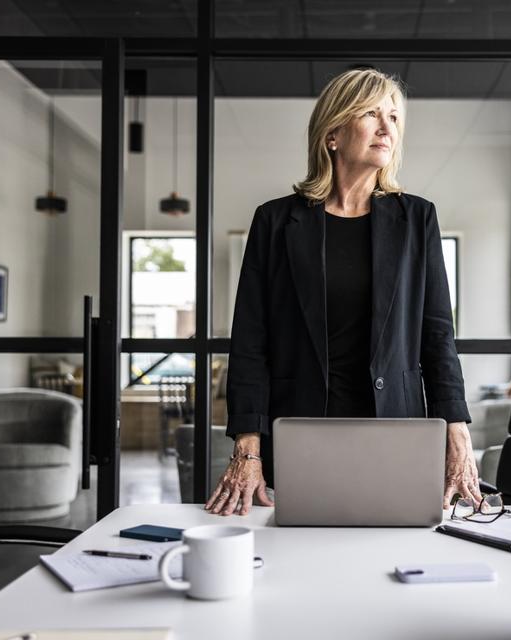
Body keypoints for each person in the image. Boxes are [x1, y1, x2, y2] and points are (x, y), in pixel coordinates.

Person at [205, 68, 482, 517]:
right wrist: (247, 447)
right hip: (301, 429)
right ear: (333, 132)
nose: (387, 126)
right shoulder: (275, 223)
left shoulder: (417, 220)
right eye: (371, 114)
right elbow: (251, 343)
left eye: (393, 116)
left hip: (396, 427)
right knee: (302, 557)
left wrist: (457, 432)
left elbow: (437, 337)